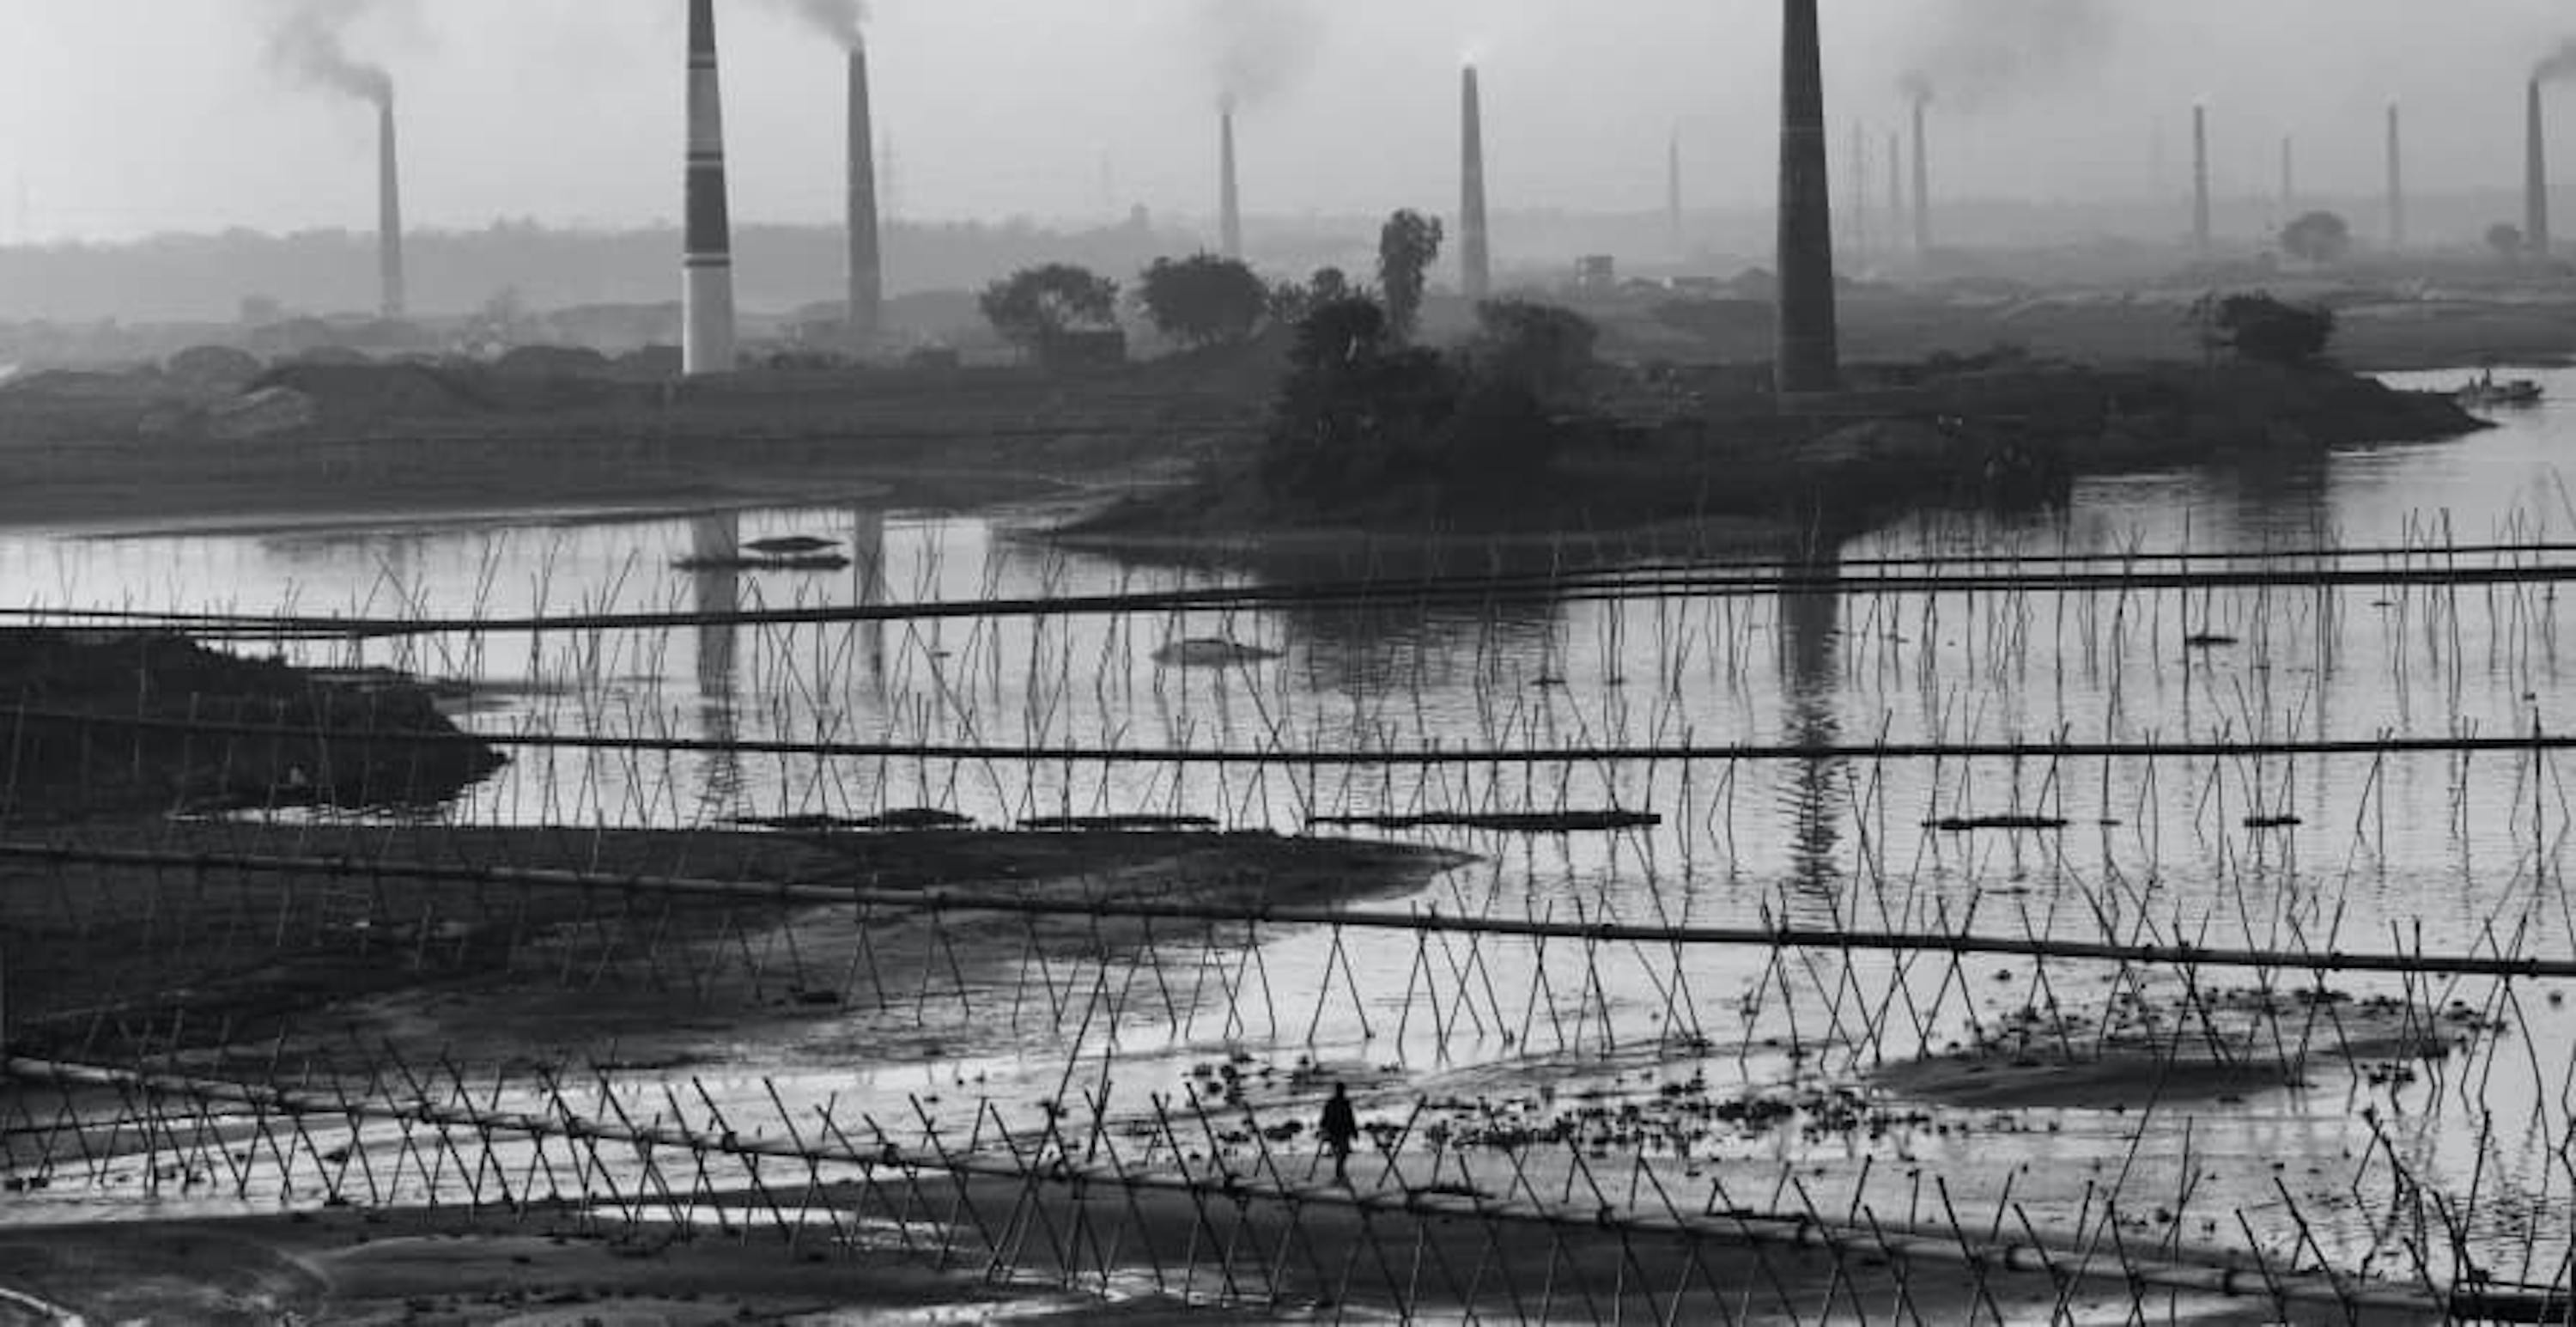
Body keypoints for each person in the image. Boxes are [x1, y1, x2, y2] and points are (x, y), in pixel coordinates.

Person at [1319, 1082, 1359, 1185]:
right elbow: (1350, 1118)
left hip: (1340, 1131)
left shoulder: (1339, 1102)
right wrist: (1354, 1132)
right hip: (1337, 1131)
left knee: (1342, 1152)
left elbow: (1350, 1118)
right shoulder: (1335, 1103)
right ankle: (1339, 1171)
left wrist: (1354, 1131)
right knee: (1342, 1152)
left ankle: (1339, 1171)